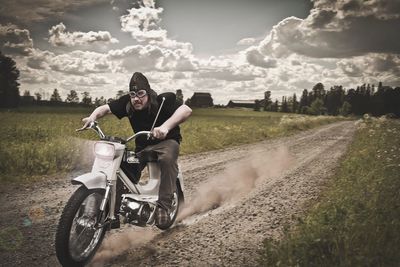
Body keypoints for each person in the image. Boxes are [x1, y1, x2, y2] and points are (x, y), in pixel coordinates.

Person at [81, 72, 192, 227]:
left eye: (140, 94)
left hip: (166, 142)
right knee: (122, 167)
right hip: (143, 146)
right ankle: (113, 212)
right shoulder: (127, 103)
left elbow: (186, 110)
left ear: (148, 92)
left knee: (167, 159)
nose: (136, 99)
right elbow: (105, 109)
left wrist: (165, 127)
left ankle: (163, 208)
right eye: (133, 94)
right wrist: (92, 117)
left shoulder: (162, 101)